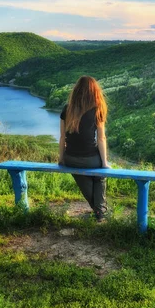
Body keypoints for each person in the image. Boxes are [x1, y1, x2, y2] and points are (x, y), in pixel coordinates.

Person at [58, 76, 109, 221]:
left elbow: (62, 138)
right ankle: (101, 212)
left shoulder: (67, 109)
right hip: (90, 159)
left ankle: (99, 212)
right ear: (94, 92)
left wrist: (62, 159)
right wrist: (104, 163)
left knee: (82, 177)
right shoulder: (97, 109)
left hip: (70, 158)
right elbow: (101, 139)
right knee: (100, 177)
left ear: (76, 91)